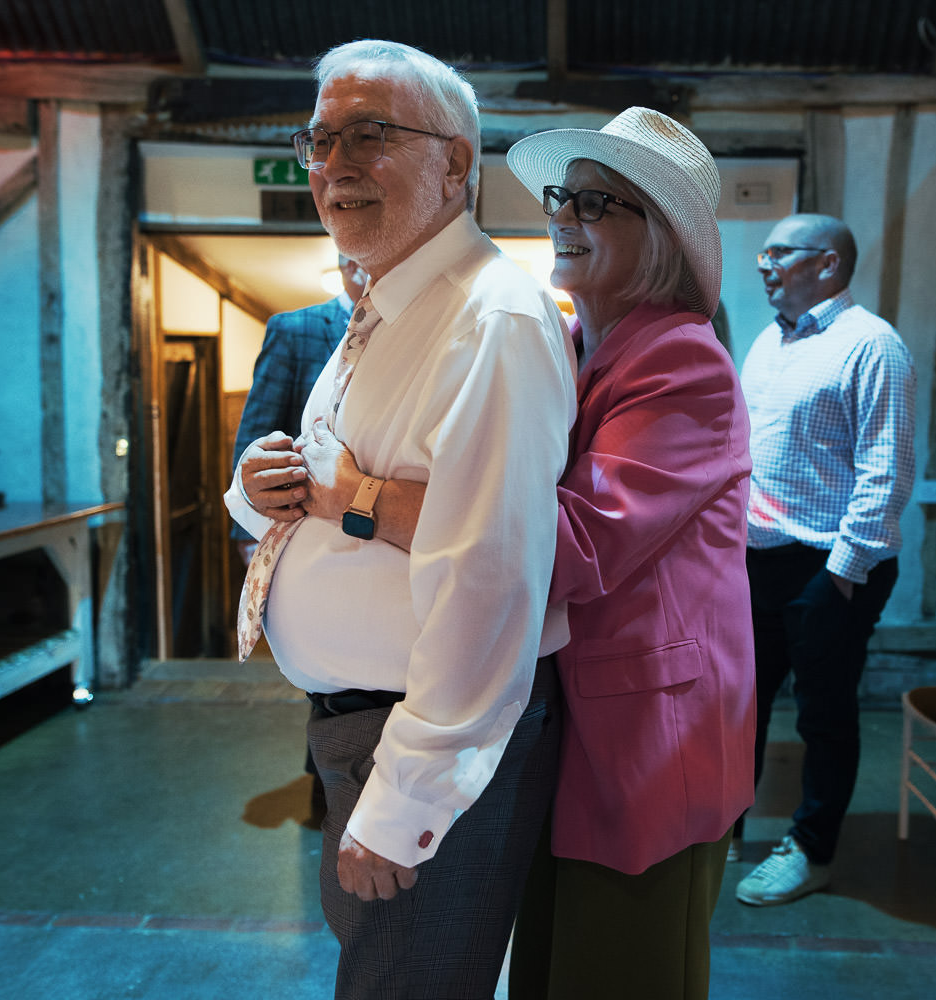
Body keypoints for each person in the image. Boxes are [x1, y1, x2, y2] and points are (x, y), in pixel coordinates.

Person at [293, 106, 757, 999]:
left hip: (644, 744)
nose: (561, 217)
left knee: (619, 973)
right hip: (560, 725)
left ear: (658, 235)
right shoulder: (578, 341)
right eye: (559, 196)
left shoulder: (682, 363)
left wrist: (356, 497)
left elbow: (563, 548)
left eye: (595, 202)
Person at [222, 40, 576, 998]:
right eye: (320, 138)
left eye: (370, 135)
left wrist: (407, 798)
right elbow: (326, 497)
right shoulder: (380, 308)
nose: (334, 164)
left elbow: (492, 581)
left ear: (455, 162)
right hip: (357, 730)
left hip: (417, 736)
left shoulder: (490, 317)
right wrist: (256, 493)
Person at [732, 213, 916, 907]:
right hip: (760, 561)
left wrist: (841, 573)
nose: (763, 263)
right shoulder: (769, 344)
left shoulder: (872, 345)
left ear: (828, 264)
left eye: (779, 251)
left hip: (831, 565)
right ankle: (727, 823)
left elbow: (887, 471)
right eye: (764, 249)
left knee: (824, 715)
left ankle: (812, 850)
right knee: (740, 707)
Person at [230, 253, 366, 566]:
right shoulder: (294, 329)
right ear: (351, 268)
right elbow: (256, 430)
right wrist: (248, 526)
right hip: (299, 513)